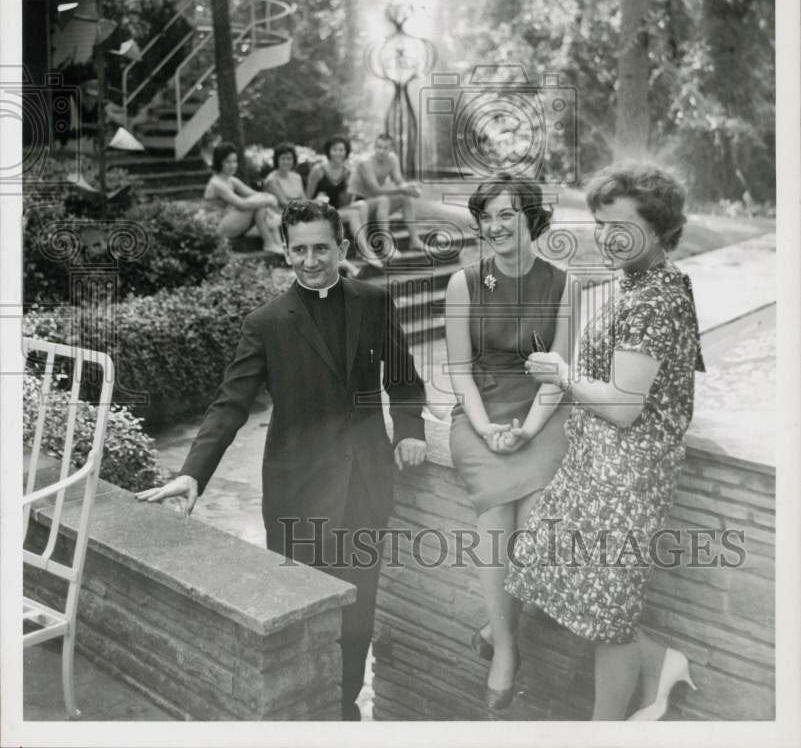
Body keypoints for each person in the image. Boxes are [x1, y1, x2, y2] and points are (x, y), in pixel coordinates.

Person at [136, 199, 427, 721]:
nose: (311, 260)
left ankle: (343, 713)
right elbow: (230, 404)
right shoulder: (266, 323)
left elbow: (405, 382)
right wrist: (191, 474)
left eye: (322, 248)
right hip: (298, 495)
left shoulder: (373, 303)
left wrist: (410, 430)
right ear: (286, 252)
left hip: (365, 487)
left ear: (341, 247)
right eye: (300, 250)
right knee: (297, 617)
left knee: (357, 618)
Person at [505, 162, 705, 721]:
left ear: (660, 228)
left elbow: (623, 404)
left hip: (627, 477)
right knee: (549, 576)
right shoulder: (637, 282)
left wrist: (562, 373)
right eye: (601, 224)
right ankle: (659, 662)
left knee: (607, 616)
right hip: (596, 470)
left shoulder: (655, 298)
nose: (609, 237)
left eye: (623, 226)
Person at [445, 174, 573, 710]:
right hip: (479, 410)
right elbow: (458, 370)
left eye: (506, 215)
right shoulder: (464, 283)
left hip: (541, 412)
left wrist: (527, 429)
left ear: (531, 219)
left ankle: (497, 630)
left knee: (535, 526)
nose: (495, 226)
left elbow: (557, 374)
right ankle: (506, 650)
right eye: (487, 217)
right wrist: (483, 427)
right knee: (496, 519)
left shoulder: (565, 284)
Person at [306, 134, 384, 274]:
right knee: (353, 213)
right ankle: (366, 251)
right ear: (329, 151)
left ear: (346, 152)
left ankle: (363, 247)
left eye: (341, 150)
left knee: (362, 205)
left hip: (336, 210)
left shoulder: (347, 172)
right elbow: (305, 199)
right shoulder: (319, 170)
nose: (338, 153)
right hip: (317, 212)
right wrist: (317, 199)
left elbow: (346, 201)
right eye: (334, 149)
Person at [201, 142, 284, 256]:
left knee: (261, 205)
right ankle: (271, 241)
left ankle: (273, 243)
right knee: (258, 204)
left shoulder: (231, 180)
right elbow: (242, 204)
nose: (232, 165)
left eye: (234, 161)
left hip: (230, 222)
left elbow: (254, 194)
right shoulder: (217, 184)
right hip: (218, 228)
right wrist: (269, 199)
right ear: (219, 162)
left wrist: (268, 198)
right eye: (228, 162)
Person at [348, 133, 426, 253]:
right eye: (379, 147)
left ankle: (414, 240)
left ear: (391, 149)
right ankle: (386, 245)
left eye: (385, 148)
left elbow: (399, 182)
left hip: (377, 203)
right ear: (374, 147)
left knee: (405, 198)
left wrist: (413, 188)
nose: (381, 151)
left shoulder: (392, 159)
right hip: (359, 203)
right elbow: (376, 190)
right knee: (384, 199)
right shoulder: (365, 163)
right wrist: (402, 189)